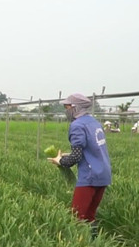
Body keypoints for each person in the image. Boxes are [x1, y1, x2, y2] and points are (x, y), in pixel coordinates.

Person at [48, 93, 112, 237]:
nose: (66, 110)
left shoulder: (77, 125)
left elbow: (76, 157)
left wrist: (60, 161)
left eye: (67, 107)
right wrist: (67, 155)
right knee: (90, 216)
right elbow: (89, 149)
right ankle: (94, 245)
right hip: (103, 174)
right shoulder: (94, 122)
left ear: (75, 108)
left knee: (76, 218)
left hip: (89, 176)